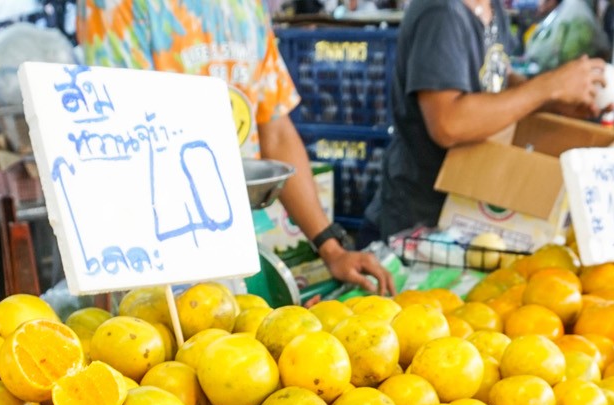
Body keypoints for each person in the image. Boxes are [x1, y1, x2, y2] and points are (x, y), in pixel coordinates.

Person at [78, 0, 394, 293]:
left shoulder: (245, 5)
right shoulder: (116, 5)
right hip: (154, 261)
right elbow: (118, 135)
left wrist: (332, 247)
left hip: (236, 251)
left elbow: (276, 130)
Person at [367, 0, 607, 238]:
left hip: (468, 208)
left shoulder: (491, 9)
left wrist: (555, 103)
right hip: (420, 221)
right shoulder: (441, 13)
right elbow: (448, 124)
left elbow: (499, 79)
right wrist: (548, 87)